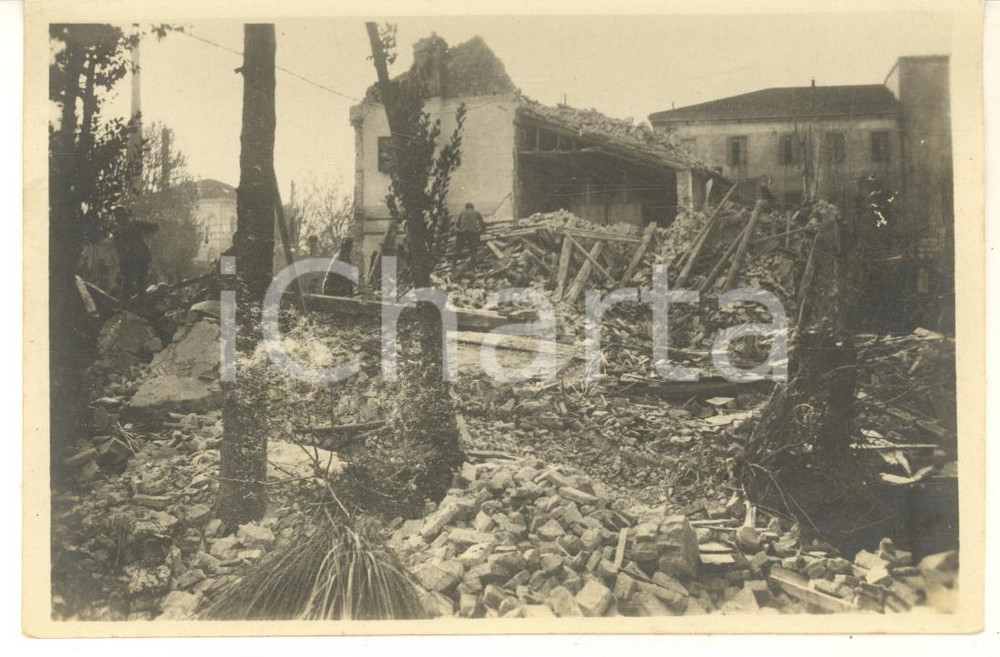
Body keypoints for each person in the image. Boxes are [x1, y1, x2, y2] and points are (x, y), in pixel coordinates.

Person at [111, 206, 154, 308]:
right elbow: (119, 249)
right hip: (131, 260)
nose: (119, 219)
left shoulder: (133, 225)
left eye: (122, 216)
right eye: (118, 217)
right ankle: (127, 306)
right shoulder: (119, 231)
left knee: (138, 284)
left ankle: (138, 305)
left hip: (139, 259)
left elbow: (153, 227)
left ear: (125, 216)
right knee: (129, 283)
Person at [452, 202, 485, 273]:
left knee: (458, 249)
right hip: (473, 233)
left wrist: (458, 231)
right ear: (473, 207)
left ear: (466, 207)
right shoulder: (476, 212)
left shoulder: (462, 212)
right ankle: (473, 268)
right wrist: (480, 232)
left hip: (462, 232)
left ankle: (453, 265)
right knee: (473, 251)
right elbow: (482, 224)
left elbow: (457, 224)